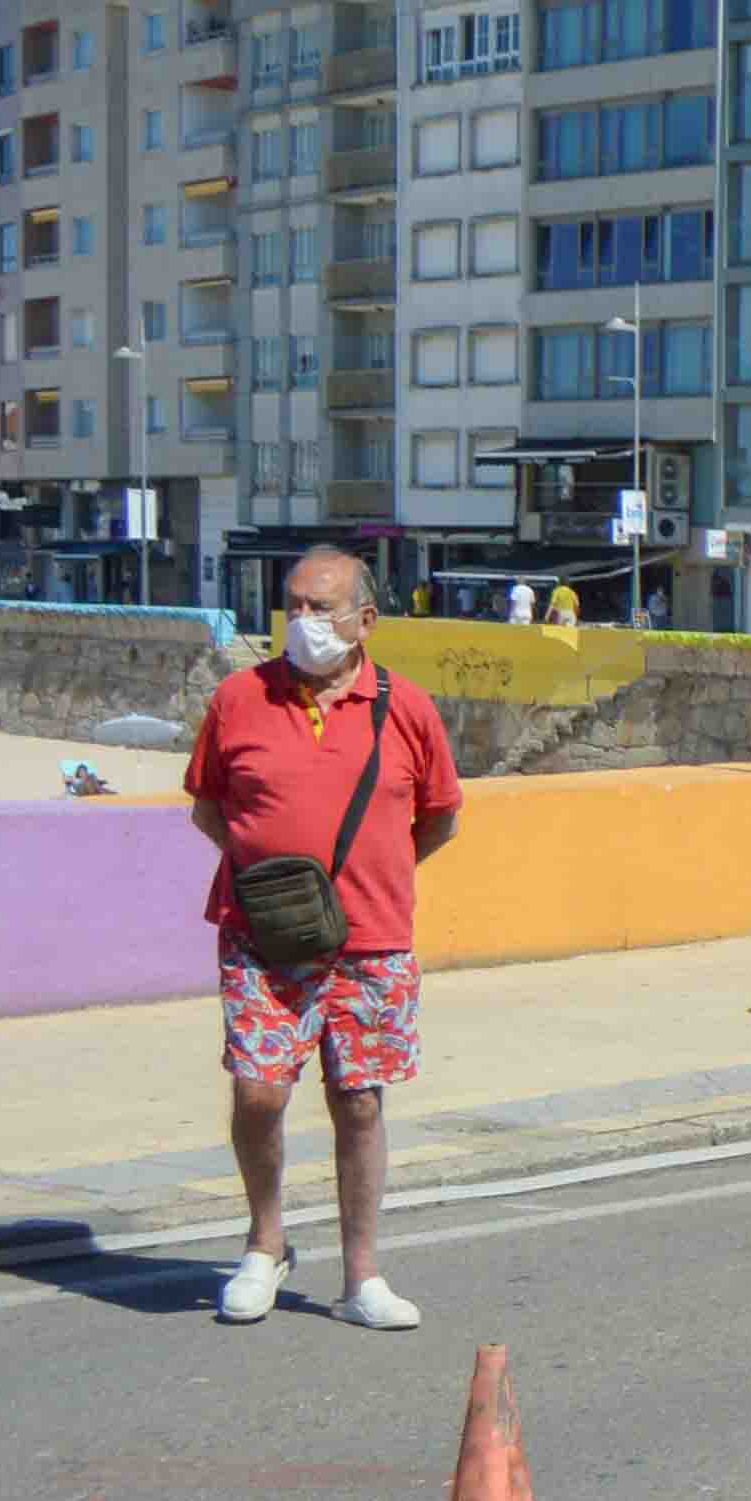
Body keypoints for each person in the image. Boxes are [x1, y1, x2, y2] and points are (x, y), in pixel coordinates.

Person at [183, 547, 463, 1329]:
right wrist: (280, 891)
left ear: (365, 621)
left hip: (372, 943)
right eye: (293, 605)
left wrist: (372, 878)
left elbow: (439, 816)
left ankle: (361, 1277)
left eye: (321, 607)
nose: (302, 621)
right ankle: (265, 1245)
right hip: (261, 939)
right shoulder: (240, 699)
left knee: (360, 1104)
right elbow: (209, 808)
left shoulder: (406, 708)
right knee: (258, 1090)